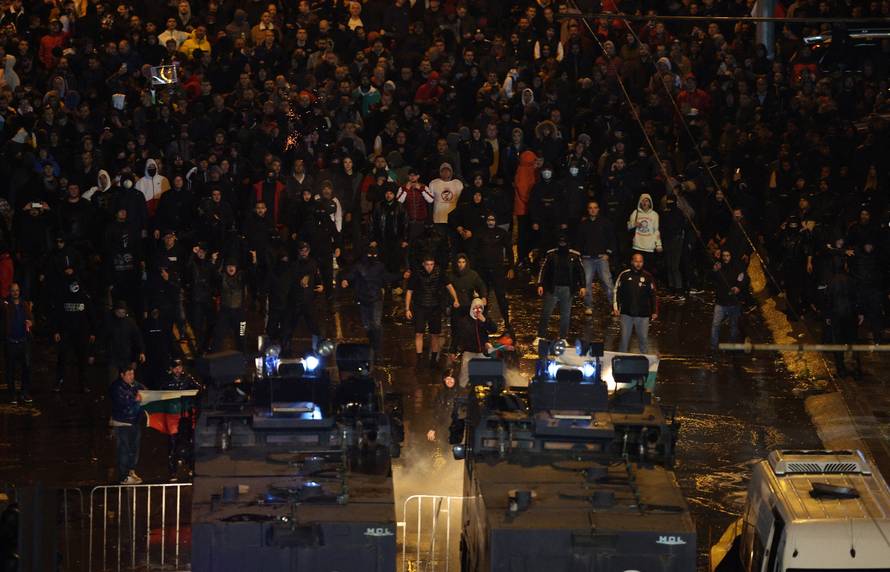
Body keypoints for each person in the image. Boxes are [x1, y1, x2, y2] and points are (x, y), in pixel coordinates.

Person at [340, 245, 399, 357]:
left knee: (376, 324)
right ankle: (373, 344)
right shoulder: (359, 266)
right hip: (363, 300)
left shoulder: (379, 266)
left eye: (374, 255)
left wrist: (401, 276)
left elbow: (387, 276)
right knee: (367, 325)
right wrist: (345, 279)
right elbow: (351, 274)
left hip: (376, 299)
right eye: (370, 255)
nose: (372, 257)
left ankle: (376, 348)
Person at [405, 255, 459, 369]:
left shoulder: (439, 272)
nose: (429, 267)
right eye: (427, 264)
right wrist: (407, 308)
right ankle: (419, 359)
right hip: (420, 306)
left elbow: (449, 286)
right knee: (419, 333)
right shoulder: (417, 273)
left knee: (435, 334)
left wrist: (456, 299)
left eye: (431, 264)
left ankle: (434, 359)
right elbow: (409, 291)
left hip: (435, 307)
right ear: (423, 264)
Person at [536, 234, 586, 340]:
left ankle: (563, 337)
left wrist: (583, 286)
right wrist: (540, 284)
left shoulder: (575, 256)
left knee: (566, 315)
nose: (562, 244)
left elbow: (580, 271)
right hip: (552, 288)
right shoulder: (551, 255)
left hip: (567, 289)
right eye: (560, 242)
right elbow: (543, 270)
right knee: (546, 312)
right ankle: (540, 336)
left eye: (564, 242)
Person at [159, 359, 202, 481]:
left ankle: (191, 468)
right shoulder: (166, 381)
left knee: (190, 442)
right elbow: (160, 393)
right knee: (172, 443)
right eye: (175, 367)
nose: (178, 370)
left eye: (179, 367)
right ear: (171, 369)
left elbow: (199, 389)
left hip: (186, 415)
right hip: (172, 416)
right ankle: (173, 472)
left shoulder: (188, 379)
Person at [472, 213, 514, 329]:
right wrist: (474, 270)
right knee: (483, 296)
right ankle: (482, 322)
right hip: (483, 270)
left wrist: (511, 267)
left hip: (498, 270)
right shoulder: (480, 233)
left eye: (493, 220)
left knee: (501, 296)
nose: (491, 222)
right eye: (489, 219)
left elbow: (509, 251)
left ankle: (507, 322)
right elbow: (473, 252)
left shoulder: (502, 233)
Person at [575, 201, 615, 314]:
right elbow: (579, 242)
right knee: (586, 282)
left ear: (598, 209)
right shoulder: (583, 224)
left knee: (607, 282)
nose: (593, 210)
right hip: (587, 258)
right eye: (590, 208)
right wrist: (579, 255)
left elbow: (612, 239)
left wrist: (608, 253)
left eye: (595, 208)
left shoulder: (605, 223)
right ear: (588, 210)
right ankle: (588, 306)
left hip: (601, 257)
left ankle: (614, 305)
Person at [614, 253, 658, 353]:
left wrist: (654, 311)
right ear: (632, 262)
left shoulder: (648, 277)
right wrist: (616, 307)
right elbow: (617, 291)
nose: (638, 264)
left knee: (643, 340)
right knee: (624, 340)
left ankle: (645, 363)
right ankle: (621, 361)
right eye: (636, 261)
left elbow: (653, 295)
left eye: (640, 262)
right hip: (626, 313)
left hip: (643, 314)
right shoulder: (624, 275)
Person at [109, 364, 145, 485]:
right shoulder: (116, 387)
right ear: (122, 375)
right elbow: (123, 404)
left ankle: (131, 471)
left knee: (134, 449)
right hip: (122, 422)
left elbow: (146, 391)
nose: (131, 376)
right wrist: (135, 400)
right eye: (129, 374)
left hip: (135, 422)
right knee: (124, 449)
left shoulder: (135, 385)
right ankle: (123, 476)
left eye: (133, 373)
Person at [710, 250, 749, 351]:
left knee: (733, 326)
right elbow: (712, 279)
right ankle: (714, 347)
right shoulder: (719, 266)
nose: (725, 258)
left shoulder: (737, 267)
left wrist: (738, 288)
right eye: (724, 256)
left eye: (728, 255)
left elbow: (744, 279)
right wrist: (714, 271)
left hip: (733, 302)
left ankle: (729, 347)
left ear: (731, 256)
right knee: (715, 325)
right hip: (720, 301)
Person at [453, 297, 496, 387]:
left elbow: (494, 329)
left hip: (482, 352)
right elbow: (457, 336)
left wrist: (484, 321)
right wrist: (453, 351)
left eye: (480, 307)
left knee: (489, 375)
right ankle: (463, 389)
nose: (477, 310)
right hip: (469, 352)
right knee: (465, 373)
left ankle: (489, 391)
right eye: (475, 307)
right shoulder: (464, 321)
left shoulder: (485, 319)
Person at [3, 283, 32, 404]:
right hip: (11, 342)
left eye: (17, 290)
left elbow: (31, 319)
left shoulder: (24, 305)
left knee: (26, 369)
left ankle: (24, 393)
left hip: (23, 342)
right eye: (13, 290)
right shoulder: (5, 306)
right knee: (10, 370)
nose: (15, 292)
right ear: (10, 292)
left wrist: (31, 322)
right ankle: (12, 395)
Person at [627, 193, 661, 271]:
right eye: (643, 201)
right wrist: (634, 224)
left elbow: (656, 231)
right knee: (636, 269)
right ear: (640, 202)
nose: (645, 203)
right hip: (637, 246)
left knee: (648, 270)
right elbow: (628, 227)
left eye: (647, 201)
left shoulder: (654, 215)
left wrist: (659, 245)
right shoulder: (636, 213)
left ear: (650, 203)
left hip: (649, 247)